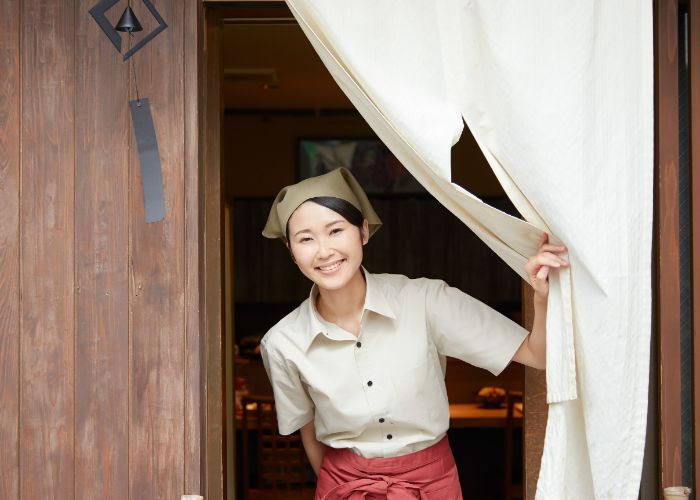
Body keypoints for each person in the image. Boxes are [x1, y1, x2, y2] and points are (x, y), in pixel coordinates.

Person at [260, 167, 568, 499]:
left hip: (432, 485)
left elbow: (537, 355)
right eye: (306, 238)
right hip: (345, 489)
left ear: (363, 231)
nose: (323, 251)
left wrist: (541, 295)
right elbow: (308, 431)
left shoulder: (425, 300)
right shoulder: (282, 343)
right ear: (292, 252)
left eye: (335, 230)